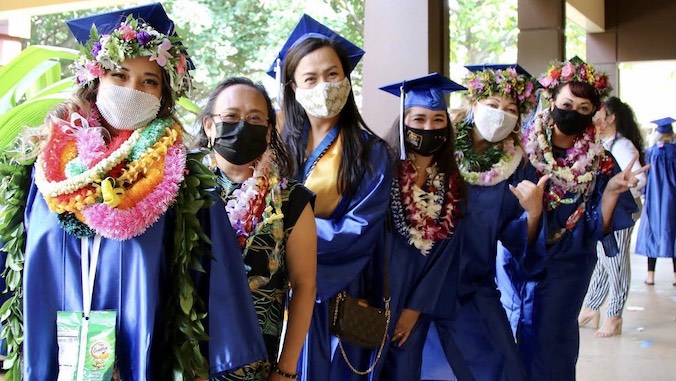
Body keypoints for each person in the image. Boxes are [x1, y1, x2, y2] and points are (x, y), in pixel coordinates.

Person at [0, 4, 259, 380]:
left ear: (164, 95)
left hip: (143, 360)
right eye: (119, 75)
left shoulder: (182, 180)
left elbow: (212, 283)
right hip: (53, 356)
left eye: (149, 81)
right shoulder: (42, 168)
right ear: (95, 80)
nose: (132, 89)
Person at [499, 56, 646, 381]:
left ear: (593, 113)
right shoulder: (521, 147)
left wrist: (610, 193)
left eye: (583, 109)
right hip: (516, 257)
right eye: (567, 103)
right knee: (508, 336)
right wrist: (531, 214)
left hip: (568, 265)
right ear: (551, 101)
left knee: (552, 343)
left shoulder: (600, 161)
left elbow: (596, 228)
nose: (573, 113)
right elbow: (500, 209)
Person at [268, 14, 393, 381]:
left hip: (332, 287)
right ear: (293, 87)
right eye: (311, 78)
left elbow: (359, 229)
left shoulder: (371, 152)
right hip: (270, 287)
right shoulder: (273, 144)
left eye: (333, 74)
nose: (324, 85)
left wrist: (292, 239)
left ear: (347, 80)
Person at [418, 65, 546, 381]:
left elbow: (518, 240)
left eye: (510, 109)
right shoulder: (438, 147)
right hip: (425, 285)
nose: (500, 114)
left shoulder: (518, 169)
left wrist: (533, 213)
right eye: (492, 105)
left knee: (504, 367)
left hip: (476, 286)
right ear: (474, 103)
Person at [196, 77, 317, 381]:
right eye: (231, 117)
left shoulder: (292, 201)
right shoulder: (181, 191)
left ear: (268, 131)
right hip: (186, 361)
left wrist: (286, 370)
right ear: (209, 126)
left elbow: (304, 286)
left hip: (255, 365)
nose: (242, 125)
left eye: (254, 119)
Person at [374, 73, 467, 381]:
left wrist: (415, 309)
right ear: (404, 121)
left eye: (438, 119)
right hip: (377, 292)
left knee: (404, 370)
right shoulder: (380, 172)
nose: (429, 128)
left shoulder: (453, 184)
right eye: (419, 119)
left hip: (417, 295)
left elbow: (445, 254)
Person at [578, 96, 647, 337]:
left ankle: (615, 315)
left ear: (611, 118)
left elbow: (640, 179)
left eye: (600, 113)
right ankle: (592, 307)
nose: (596, 117)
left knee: (616, 263)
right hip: (606, 209)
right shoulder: (604, 143)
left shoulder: (621, 145)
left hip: (621, 211)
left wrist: (623, 188)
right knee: (603, 259)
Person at [635, 117, 676, 286]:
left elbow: (644, 177)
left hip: (654, 199)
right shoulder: (675, 152)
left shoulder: (651, 152)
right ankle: (675, 277)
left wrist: (644, 193)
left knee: (652, 233)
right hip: (673, 200)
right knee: (674, 235)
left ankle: (650, 276)